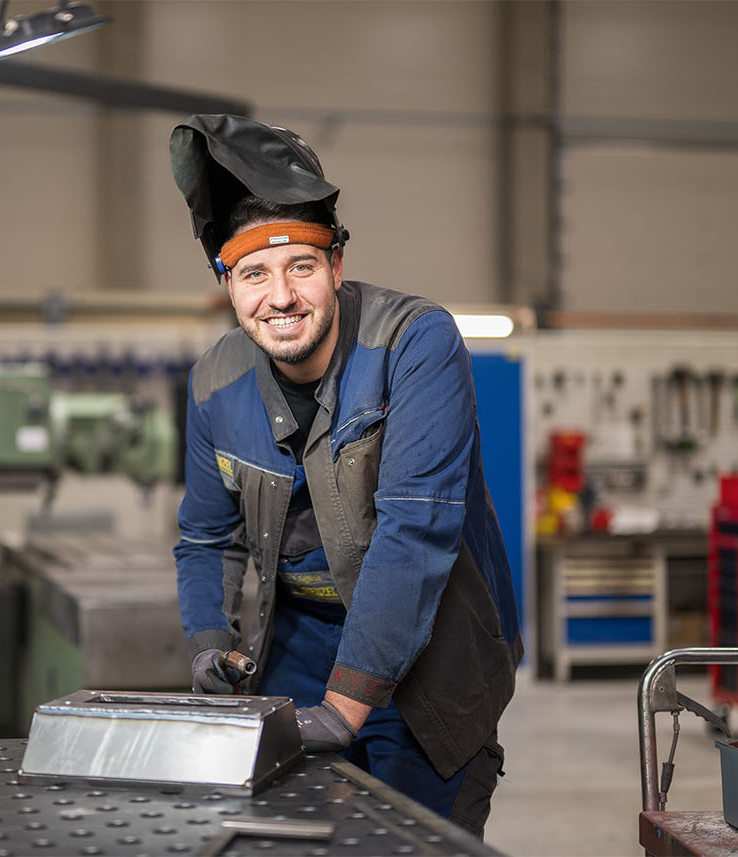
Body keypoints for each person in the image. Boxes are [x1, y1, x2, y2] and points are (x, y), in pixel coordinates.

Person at [167, 114, 523, 836]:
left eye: (300, 266)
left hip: (425, 657)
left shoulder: (415, 342)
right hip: (294, 654)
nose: (280, 296)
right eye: (253, 273)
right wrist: (208, 640)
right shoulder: (214, 382)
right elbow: (205, 538)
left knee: (408, 839)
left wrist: (347, 704)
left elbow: (415, 531)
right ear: (228, 285)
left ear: (334, 266)